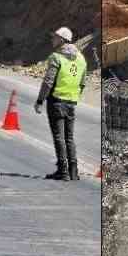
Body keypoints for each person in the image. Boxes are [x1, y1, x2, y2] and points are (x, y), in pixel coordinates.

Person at [35, 27, 87, 181]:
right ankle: (74, 171)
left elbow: (48, 81)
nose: (53, 39)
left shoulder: (56, 57)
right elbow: (82, 83)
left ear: (62, 40)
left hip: (56, 101)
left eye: (55, 37)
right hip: (71, 102)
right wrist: (73, 96)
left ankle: (62, 171)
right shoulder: (81, 59)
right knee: (69, 138)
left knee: (59, 137)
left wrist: (40, 100)